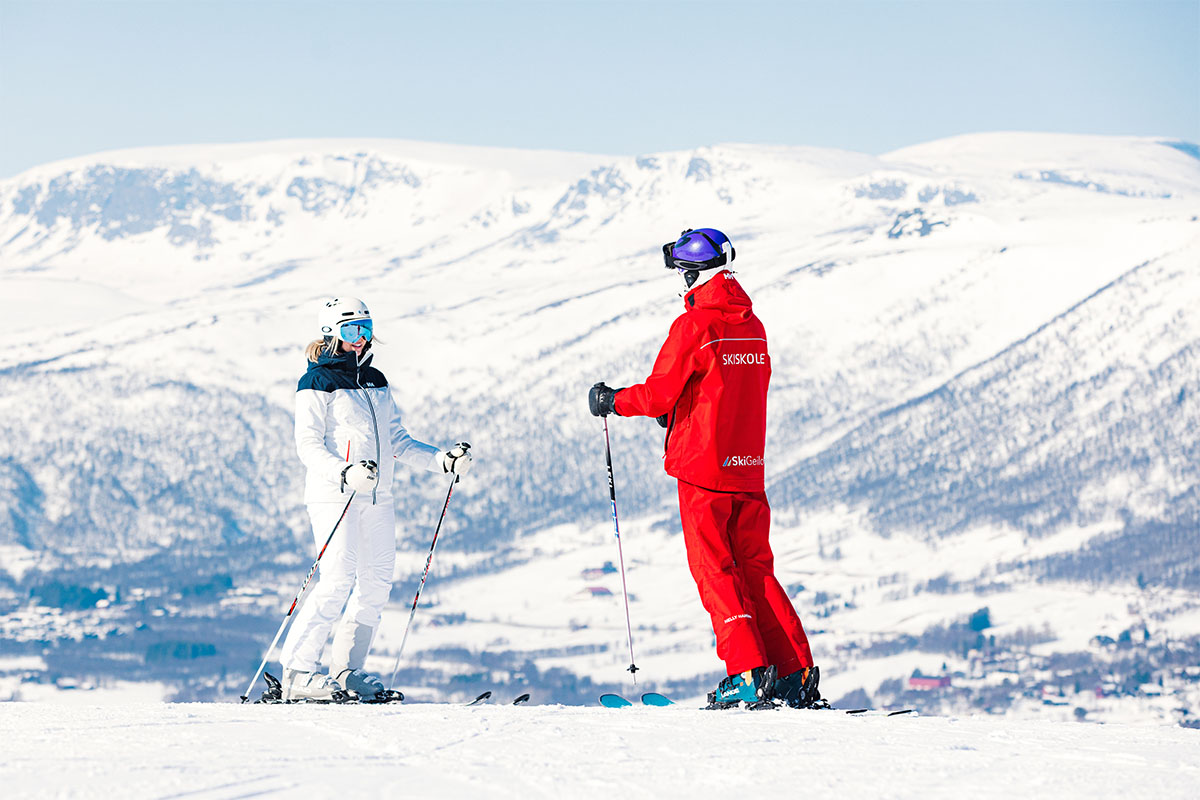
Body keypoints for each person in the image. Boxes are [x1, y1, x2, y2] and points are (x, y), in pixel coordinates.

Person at [588, 228, 821, 709]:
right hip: (748, 468)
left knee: (715, 570)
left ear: (693, 274)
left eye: (681, 273)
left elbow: (656, 393)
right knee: (757, 570)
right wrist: (681, 414)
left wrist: (612, 401)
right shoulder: (751, 326)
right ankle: (795, 674)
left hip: (703, 471)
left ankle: (747, 675)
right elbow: (726, 389)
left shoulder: (694, 327)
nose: (680, 285)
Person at [279, 296, 473, 701]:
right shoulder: (317, 383)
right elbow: (308, 445)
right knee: (337, 580)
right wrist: (345, 472)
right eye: (352, 331)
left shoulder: (375, 381)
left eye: (366, 329)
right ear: (332, 334)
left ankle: (348, 670)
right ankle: (297, 673)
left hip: (378, 495)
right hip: (336, 496)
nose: (362, 339)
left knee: (377, 583)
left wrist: (441, 461)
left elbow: (396, 440)